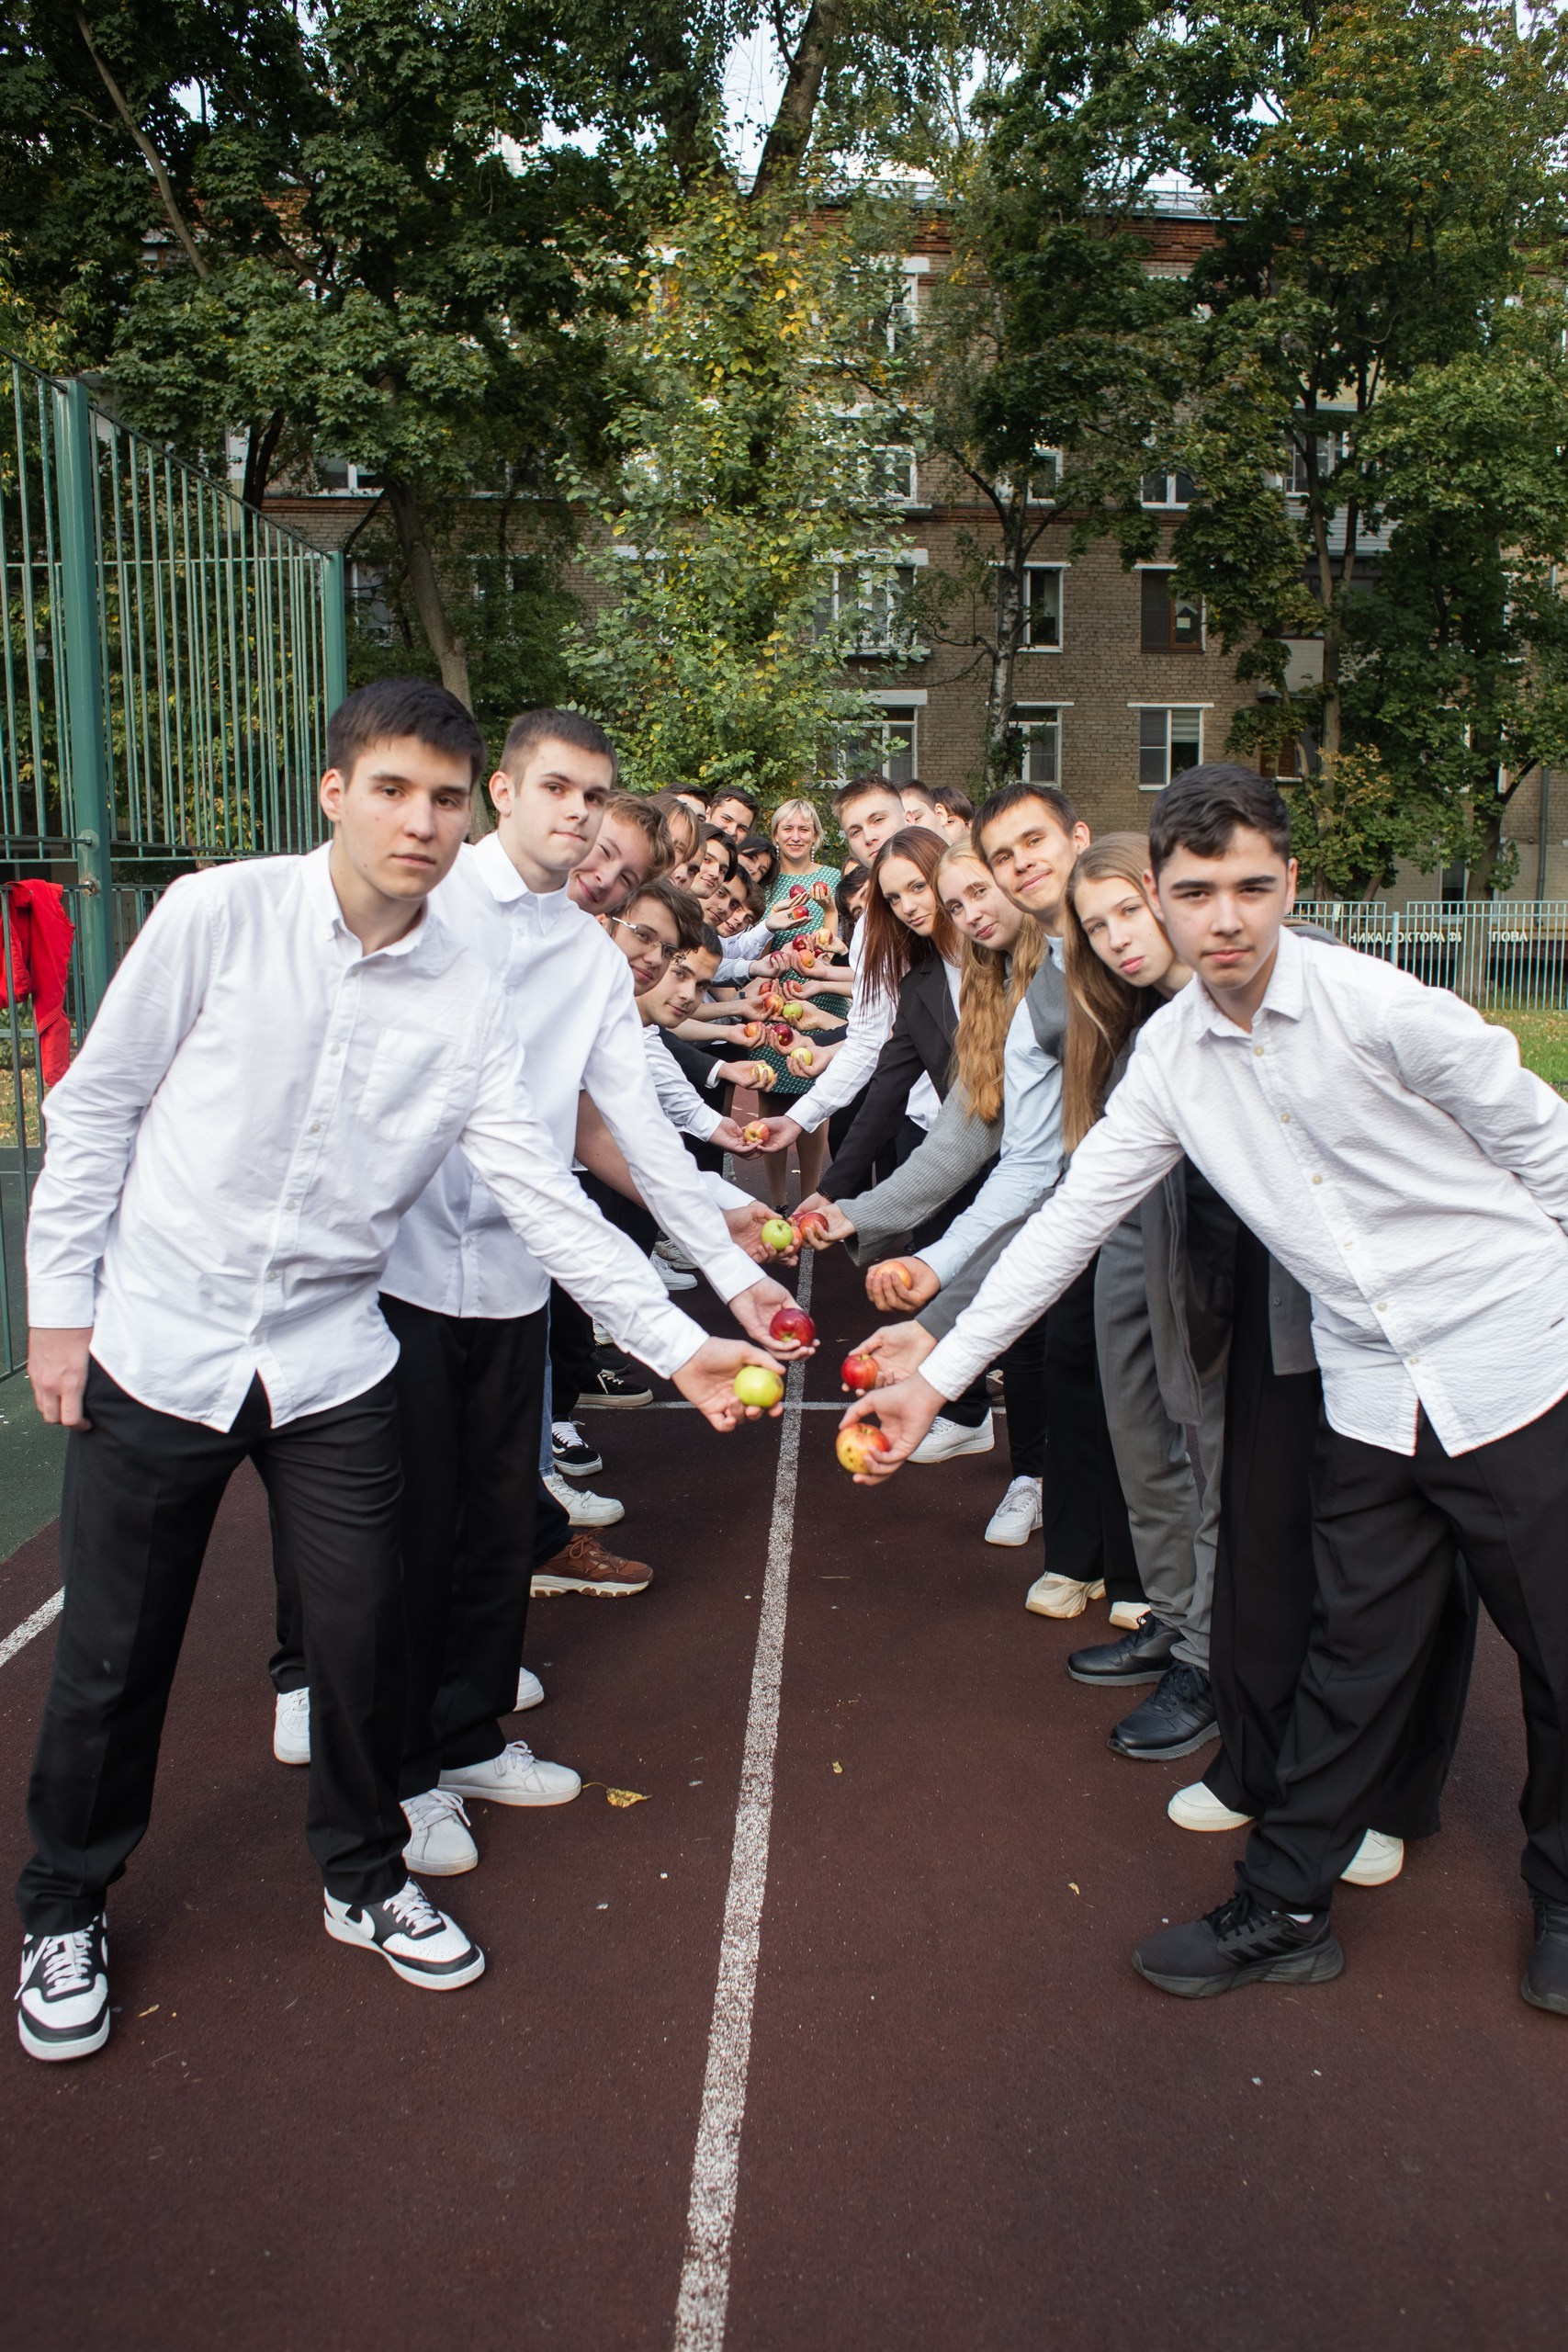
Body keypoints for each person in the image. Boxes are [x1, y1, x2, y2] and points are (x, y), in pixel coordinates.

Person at [17, 678, 784, 2064]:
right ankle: (66, 1904)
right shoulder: (218, 916)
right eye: (392, 790)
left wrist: (679, 1342)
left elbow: (544, 1190)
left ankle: (365, 1876)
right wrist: (59, 1310)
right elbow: (99, 1108)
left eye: (440, 796)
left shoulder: (470, 991)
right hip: (162, 1342)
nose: (418, 822)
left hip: (330, 1355)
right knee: (112, 1657)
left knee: (367, 1638)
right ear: (333, 791)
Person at [841, 764, 1568, 2018]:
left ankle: (1560, 1898)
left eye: (1247, 886)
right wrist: (939, 1378)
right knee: (1347, 1654)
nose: (1222, 917)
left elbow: (1542, 1144)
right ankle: (1285, 1905)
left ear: (1288, 884)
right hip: (1363, 1389)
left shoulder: (1376, 1005)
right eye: (1193, 893)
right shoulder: (1168, 1059)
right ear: (1155, 905)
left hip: (1508, 1366)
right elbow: (1070, 1218)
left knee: (1557, 1654)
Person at [761, 775, 908, 1173]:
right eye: (856, 830)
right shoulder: (868, 927)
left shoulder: (950, 893)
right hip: (917, 1102)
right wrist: (797, 1118)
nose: (870, 837)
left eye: (878, 820)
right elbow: (872, 1033)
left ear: (906, 817)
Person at [750, 797, 845, 1205]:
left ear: (816, 837)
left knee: (814, 1104)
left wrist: (828, 914)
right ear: (775, 835)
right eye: (787, 828)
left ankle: (809, 1195)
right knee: (770, 1095)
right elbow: (751, 943)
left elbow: (831, 947)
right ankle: (776, 1200)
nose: (795, 836)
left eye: (804, 829)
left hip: (818, 996)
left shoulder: (832, 879)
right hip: (771, 999)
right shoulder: (764, 884)